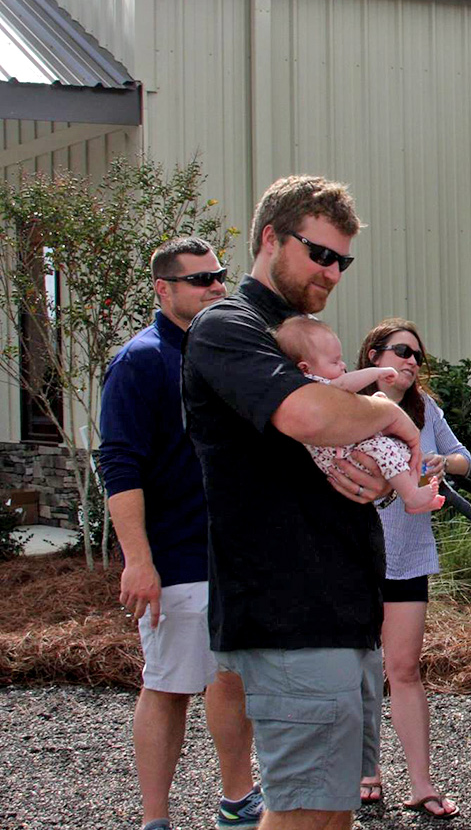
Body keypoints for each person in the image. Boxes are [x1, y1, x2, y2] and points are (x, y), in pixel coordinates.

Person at [183, 175, 421, 830]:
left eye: (342, 261)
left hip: (337, 614)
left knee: (329, 812)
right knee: (304, 814)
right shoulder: (227, 326)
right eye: (319, 253)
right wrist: (382, 413)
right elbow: (307, 415)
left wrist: (372, 465)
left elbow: (323, 446)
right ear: (269, 238)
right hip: (288, 618)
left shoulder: (292, 332)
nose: (332, 271)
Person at [98, 237, 263, 830]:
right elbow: (119, 463)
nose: (216, 287)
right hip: (176, 557)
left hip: (233, 555)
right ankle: (155, 819)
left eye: (220, 276)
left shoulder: (226, 350)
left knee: (233, 680)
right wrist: (138, 561)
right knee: (168, 686)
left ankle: (238, 800)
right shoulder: (140, 361)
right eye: (200, 280)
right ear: (163, 290)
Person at [353, 318, 471, 820]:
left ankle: (422, 784)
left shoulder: (426, 410)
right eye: (402, 351)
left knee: (403, 670)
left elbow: (463, 458)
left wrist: (443, 462)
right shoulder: (346, 406)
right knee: (357, 671)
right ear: (374, 354)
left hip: (404, 558)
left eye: (417, 356)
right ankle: (364, 770)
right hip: (350, 556)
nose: (411, 362)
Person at [272, 316, 444, 513]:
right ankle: (411, 497)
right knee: (384, 447)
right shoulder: (314, 384)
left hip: (346, 451)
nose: (342, 365)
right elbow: (345, 384)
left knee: (400, 449)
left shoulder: (425, 405)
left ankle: (413, 492)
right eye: (335, 361)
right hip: (343, 455)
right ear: (305, 367)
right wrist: (378, 373)